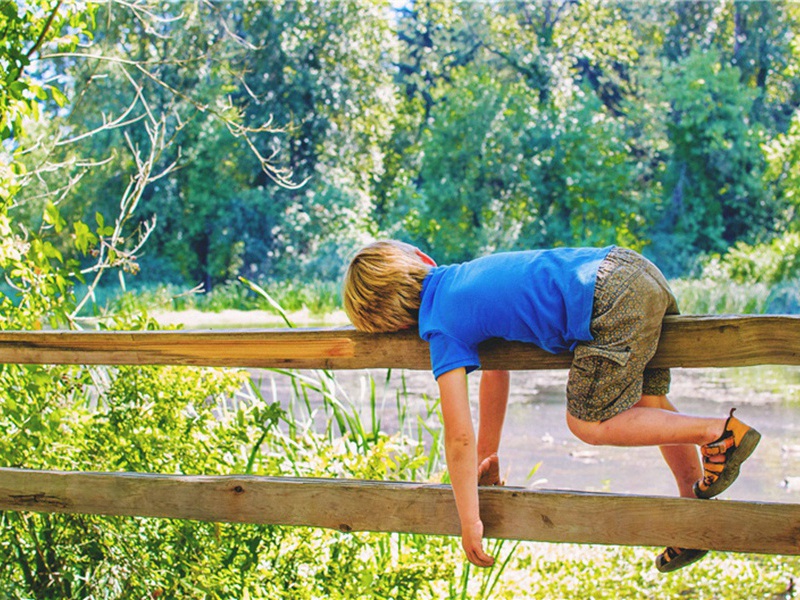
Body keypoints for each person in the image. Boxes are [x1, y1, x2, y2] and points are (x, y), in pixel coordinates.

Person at [342, 240, 761, 572]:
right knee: (649, 403)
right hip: (633, 270)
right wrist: (489, 457)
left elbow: (457, 436)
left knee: (587, 424)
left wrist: (468, 521)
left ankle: (719, 431)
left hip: (609, 302)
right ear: (422, 258)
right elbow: (495, 372)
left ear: (393, 326)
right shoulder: (465, 277)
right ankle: (693, 515)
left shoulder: (441, 324)